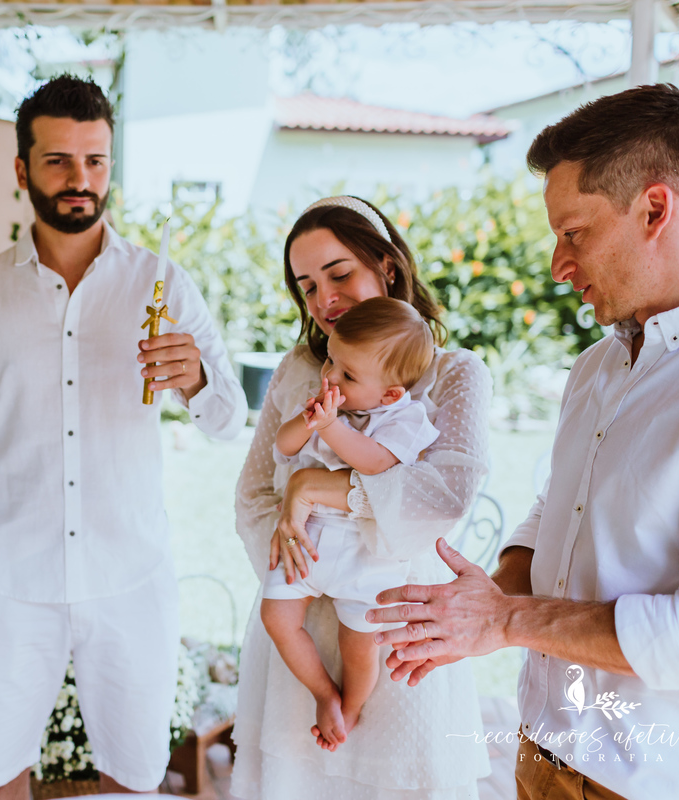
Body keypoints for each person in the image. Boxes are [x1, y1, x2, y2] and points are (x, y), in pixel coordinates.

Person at [366, 83, 679, 799]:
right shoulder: (600, 363)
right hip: (543, 752)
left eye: (574, 233)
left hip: (658, 779)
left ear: (655, 209)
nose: (558, 264)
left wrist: (505, 620)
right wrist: (483, 599)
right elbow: (562, 506)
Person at [0, 75, 246, 799]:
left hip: (132, 574)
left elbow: (227, 424)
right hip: (6, 578)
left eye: (96, 160)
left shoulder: (163, 283)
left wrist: (194, 379)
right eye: (59, 160)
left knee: (134, 779)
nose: (80, 180)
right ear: (22, 169)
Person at [233, 194, 490, 800]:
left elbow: (442, 494)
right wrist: (297, 553)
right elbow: (251, 493)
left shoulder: (454, 374)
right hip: (302, 613)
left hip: (396, 620)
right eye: (306, 286)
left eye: (339, 274)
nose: (324, 300)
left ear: (388, 266)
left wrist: (313, 488)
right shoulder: (299, 370)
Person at [262, 296, 439, 749]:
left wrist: (330, 427)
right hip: (311, 534)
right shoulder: (323, 403)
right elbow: (283, 446)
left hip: (367, 551)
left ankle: (352, 704)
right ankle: (324, 692)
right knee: (277, 616)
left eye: (347, 375)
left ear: (391, 393)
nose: (330, 378)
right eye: (330, 362)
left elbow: (376, 465)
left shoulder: (405, 418)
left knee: (360, 644)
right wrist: (308, 422)